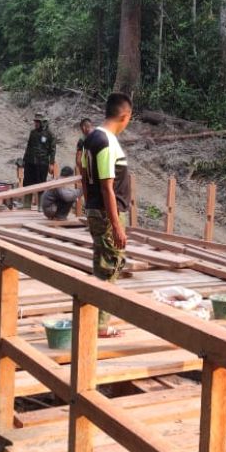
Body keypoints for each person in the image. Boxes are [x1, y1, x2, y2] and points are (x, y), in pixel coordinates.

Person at [82, 93, 133, 337]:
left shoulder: (89, 138)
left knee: (100, 264)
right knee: (110, 266)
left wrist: (88, 204)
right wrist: (116, 225)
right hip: (106, 213)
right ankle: (100, 325)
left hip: (96, 210)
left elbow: (83, 175)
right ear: (125, 116)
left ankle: (94, 320)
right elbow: (107, 186)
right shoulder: (106, 142)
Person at [22, 112, 57, 194]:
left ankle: (41, 205)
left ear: (43, 122)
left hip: (42, 163)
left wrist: (51, 164)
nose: (36, 123)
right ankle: (26, 204)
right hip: (30, 162)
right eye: (35, 121)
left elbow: (53, 150)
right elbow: (29, 147)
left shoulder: (50, 134)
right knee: (27, 183)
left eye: (38, 122)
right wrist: (24, 160)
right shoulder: (33, 133)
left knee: (41, 185)